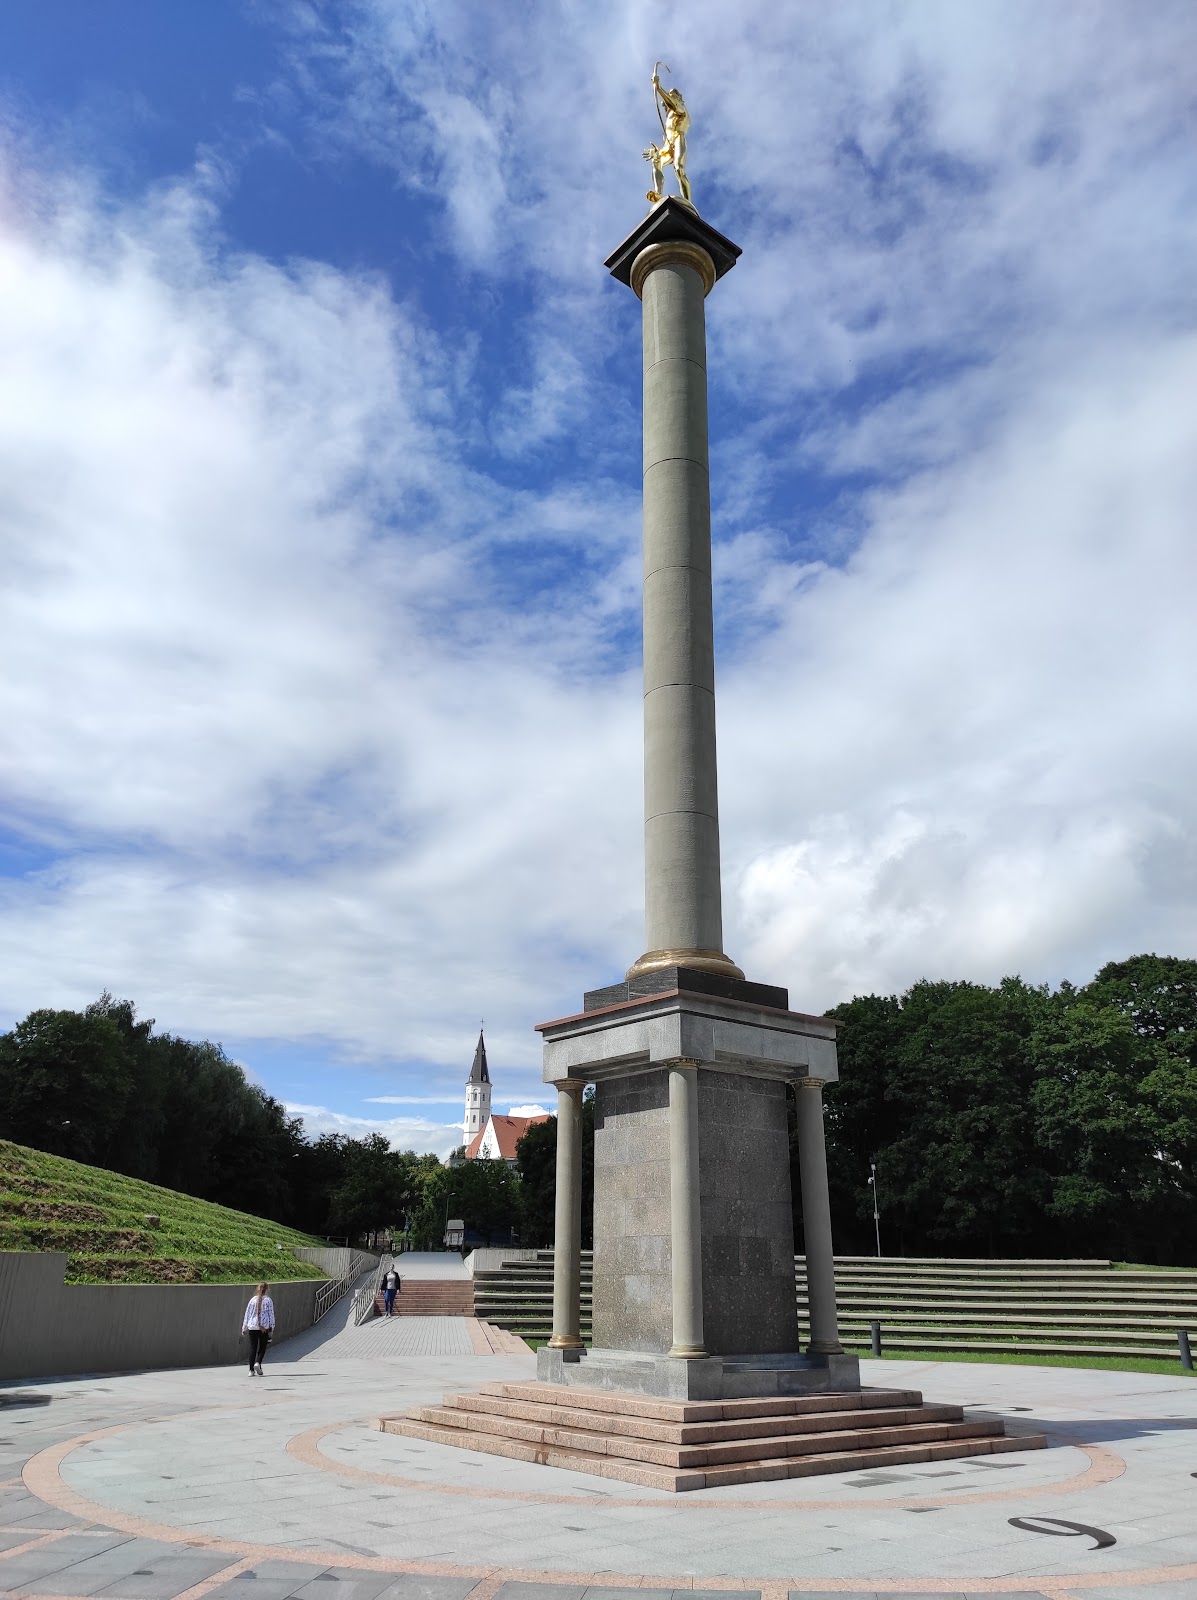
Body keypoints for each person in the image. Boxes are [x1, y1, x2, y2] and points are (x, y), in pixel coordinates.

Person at [241, 1281, 275, 1375]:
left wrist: (244, 1327)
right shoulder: (268, 1300)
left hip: (252, 1326)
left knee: (253, 1348)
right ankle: (258, 1362)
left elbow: (247, 1314)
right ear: (267, 1289)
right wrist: (272, 1327)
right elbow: (271, 1314)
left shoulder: (252, 1300)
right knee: (262, 1347)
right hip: (264, 1327)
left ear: (258, 1289)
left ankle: (251, 1370)